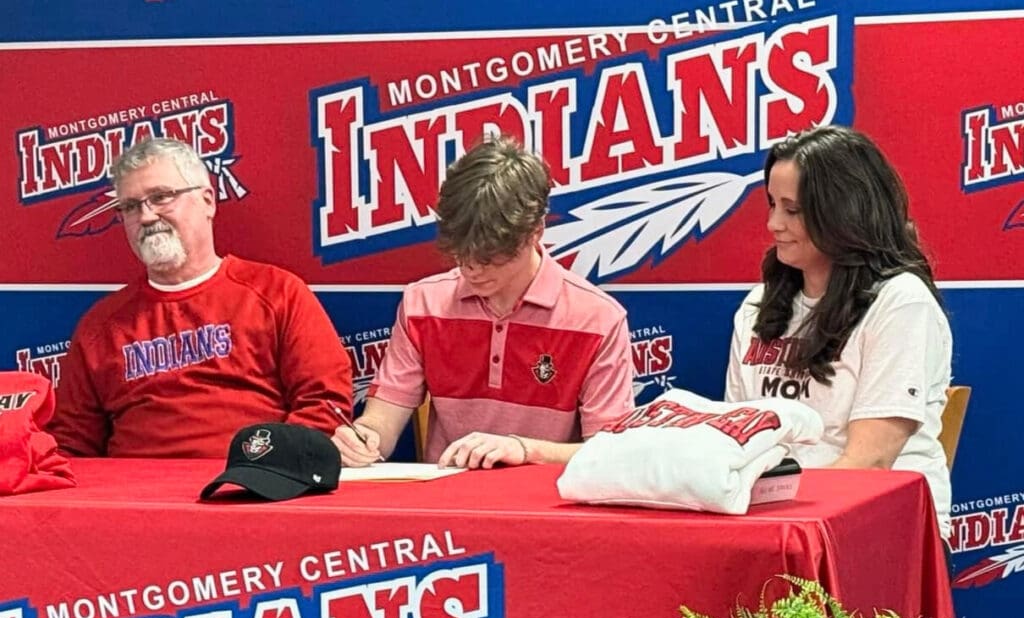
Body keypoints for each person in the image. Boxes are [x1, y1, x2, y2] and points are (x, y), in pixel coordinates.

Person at [332, 136, 635, 469]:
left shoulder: (599, 319)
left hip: (546, 495)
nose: (471, 269)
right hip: (447, 494)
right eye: (461, 253)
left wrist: (523, 450)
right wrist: (363, 438)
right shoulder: (423, 303)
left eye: (490, 256)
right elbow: (381, 423)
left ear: (535, 231)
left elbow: (609, 454)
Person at [50, 137, 353, 458]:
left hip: (256, 477)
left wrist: (268, 466)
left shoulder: (278, 292)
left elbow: (325, 403)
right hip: (136, 487)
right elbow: (71, 443)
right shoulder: (100, 326)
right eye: (130, 206)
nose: (146, 217)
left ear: (208, 201)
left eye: (161, 197)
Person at [725, 125, 953, 537]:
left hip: (880, 530)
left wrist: (783, 523)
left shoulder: (901, 302)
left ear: (844, 212)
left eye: (793, 210)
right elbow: (738, 444)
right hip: (775, 525)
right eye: (772, 204)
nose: (774, 223)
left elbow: (869, 465)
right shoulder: (757, 306)